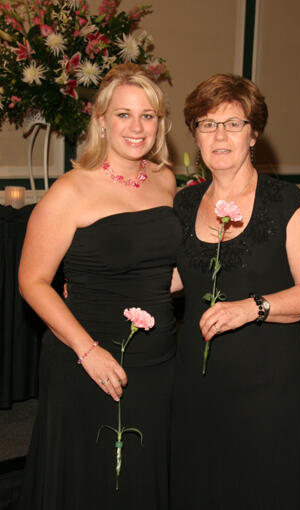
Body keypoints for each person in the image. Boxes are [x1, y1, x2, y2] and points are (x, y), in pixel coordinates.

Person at [17, 63, 181, 510]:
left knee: (144, 472)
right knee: (92, 478)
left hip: (158, 356)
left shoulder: (166, 180)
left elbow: (166, 271)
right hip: (86, 357)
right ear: (101, 120)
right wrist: (88, 351)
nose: (136, 126)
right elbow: (32, 282)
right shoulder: (71, 191)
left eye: (148, 115)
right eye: (123, 114)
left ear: (160, 124)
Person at [170, 73, 300, 509]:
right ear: (195, 135)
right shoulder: (184, 204)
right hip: (196, 379)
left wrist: (251, 307)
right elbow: (175, 277)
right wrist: (100, 286)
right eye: (207, 124)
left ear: (254, 134)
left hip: (269, 385)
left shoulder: (284, 201)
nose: (219, 135)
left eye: (233, 123)